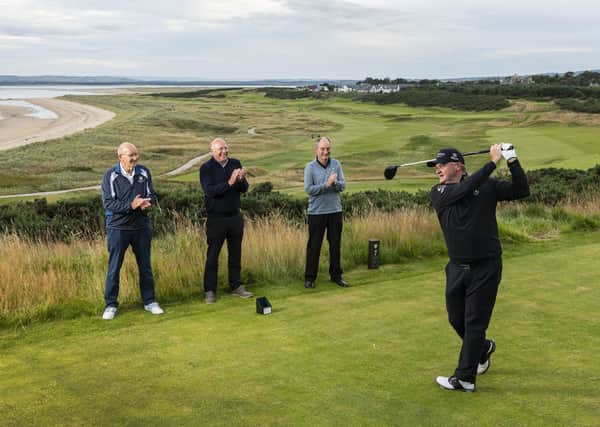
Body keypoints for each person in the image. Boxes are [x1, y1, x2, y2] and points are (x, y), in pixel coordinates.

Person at [429, 143, 529, 392]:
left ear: (458, 165)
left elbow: (521, 190)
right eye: (436, 166)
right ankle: (482, 349)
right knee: (456, 319)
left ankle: (464, 377)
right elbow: (464, 190)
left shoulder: (487, 186)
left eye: (442, 165)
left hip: (486, 266)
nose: (437, 170)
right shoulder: (439, 192)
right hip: (456, 268)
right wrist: (491, 163)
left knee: (474, 323)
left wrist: (512, 159)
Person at [101, 142, 164, 320]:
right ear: (120, 157)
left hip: (141, 227)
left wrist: (146, 202)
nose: (135, 159)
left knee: (145, 266)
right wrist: (131, 205)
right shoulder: (110, 176)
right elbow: (109, 203)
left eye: (136, 155)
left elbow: (152, 194)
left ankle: (150, 302)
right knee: (114, 268)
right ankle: (111, 305)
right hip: (118, 228)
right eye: (131, 156)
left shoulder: (143, 172)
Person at [200, 138, 254, 304]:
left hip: (234, 216)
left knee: (235, 253)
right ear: (212, 151)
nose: (224, 152)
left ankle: (236, 285)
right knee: (213, 255)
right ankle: (210, 290)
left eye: (225, 148)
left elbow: (244, 189)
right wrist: (230, 182)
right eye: (220, 149)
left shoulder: (235, 163)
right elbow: (210, 191)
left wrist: (241, 180)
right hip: (216, 218)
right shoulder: (206, 168)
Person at [303, 136, 349, 289]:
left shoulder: (336, 164)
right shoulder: (310, 167)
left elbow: (343, 186)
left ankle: (336, 276)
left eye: (327, 148)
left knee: (335, 245)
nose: (325, 152)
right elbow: (309, 190)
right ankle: (310, 278)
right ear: (317, 150)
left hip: (335, 211)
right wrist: (326, 185)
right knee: (314, 246)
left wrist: (335, 183)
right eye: (322, 149)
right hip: (316, 213)